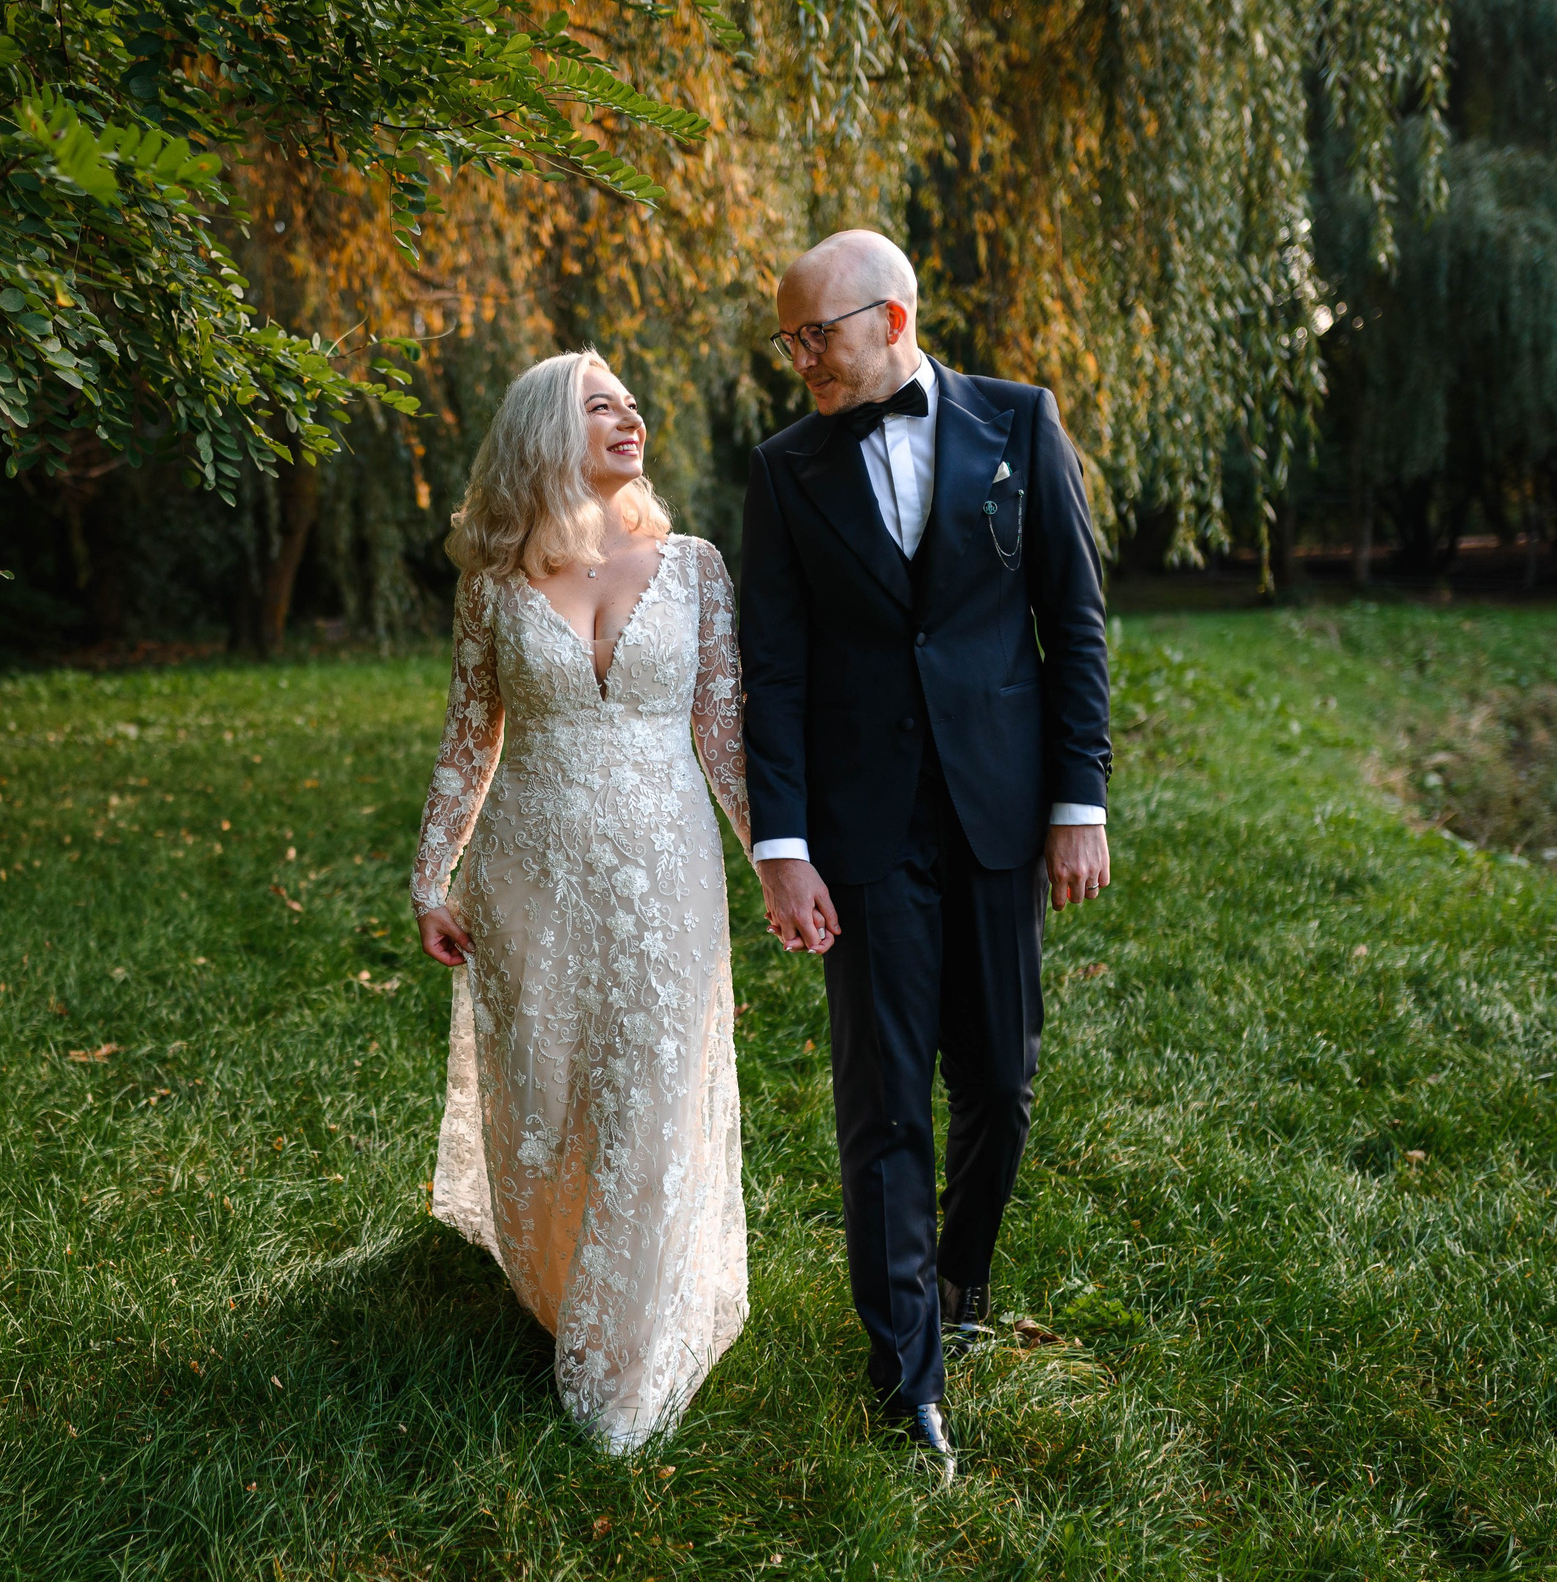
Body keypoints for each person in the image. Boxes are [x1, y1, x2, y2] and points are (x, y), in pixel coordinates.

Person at [737, 231, 1114, 1483]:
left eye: (816, 336)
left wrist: (1079, 800)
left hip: (1001, 809)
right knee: (886, 1097)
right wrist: (780, 845)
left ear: (890, 319)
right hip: (860, 825)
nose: (799, 361)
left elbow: (1073, 617)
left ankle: (957, 1275)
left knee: (999, 1086)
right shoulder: (786, 471)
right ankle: (907, 1377)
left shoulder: (1020, 422)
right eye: (786, 341)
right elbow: (773, 668)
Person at [410, 349, 755, 1453]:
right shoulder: (495, 583)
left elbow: (726, 737)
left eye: (632, 404)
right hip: (527, 871)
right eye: (599, 405)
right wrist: (431, 873)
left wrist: (780, 864)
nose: (630, 417)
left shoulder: (694, 566)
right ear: (543, 433)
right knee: (548, 1098)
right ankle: (564, 1292)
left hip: (667, 873)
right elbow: (472, 734)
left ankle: (629, 1357)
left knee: (653, 1083)